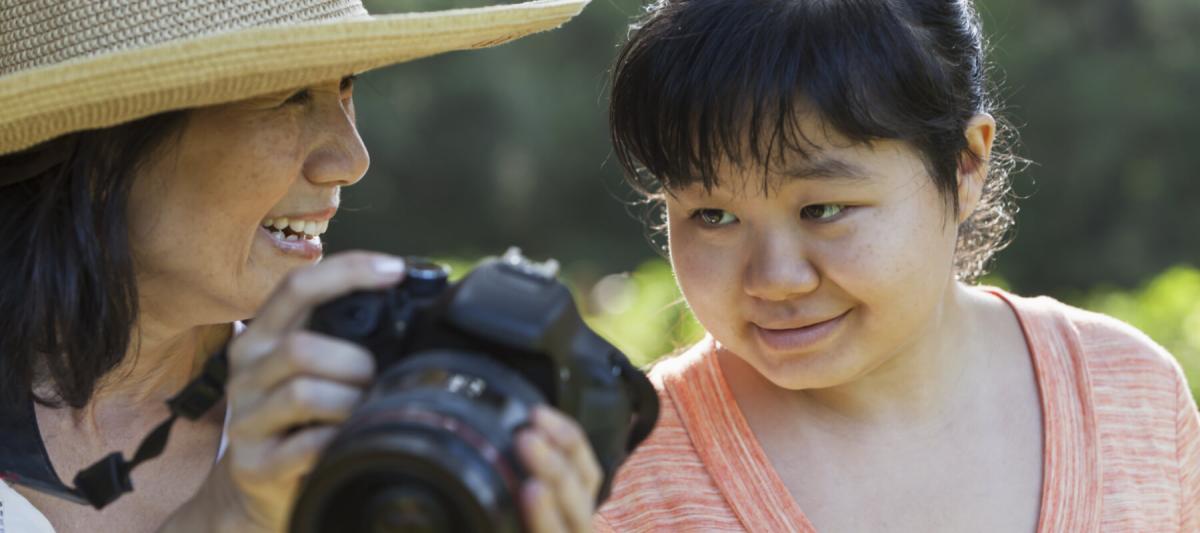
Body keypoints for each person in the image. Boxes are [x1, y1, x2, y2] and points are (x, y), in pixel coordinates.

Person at [594, 0, 1200, 531]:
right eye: (713, 217)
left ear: (965, 164)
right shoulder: (617, 473)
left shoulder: (1131, 394)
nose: (774, 279)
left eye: (823, 209)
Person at [0, 1, 603, 532]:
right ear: (102, 150)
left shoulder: (389, 440)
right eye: (288, 96)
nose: (351, 158)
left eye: (346, 88)